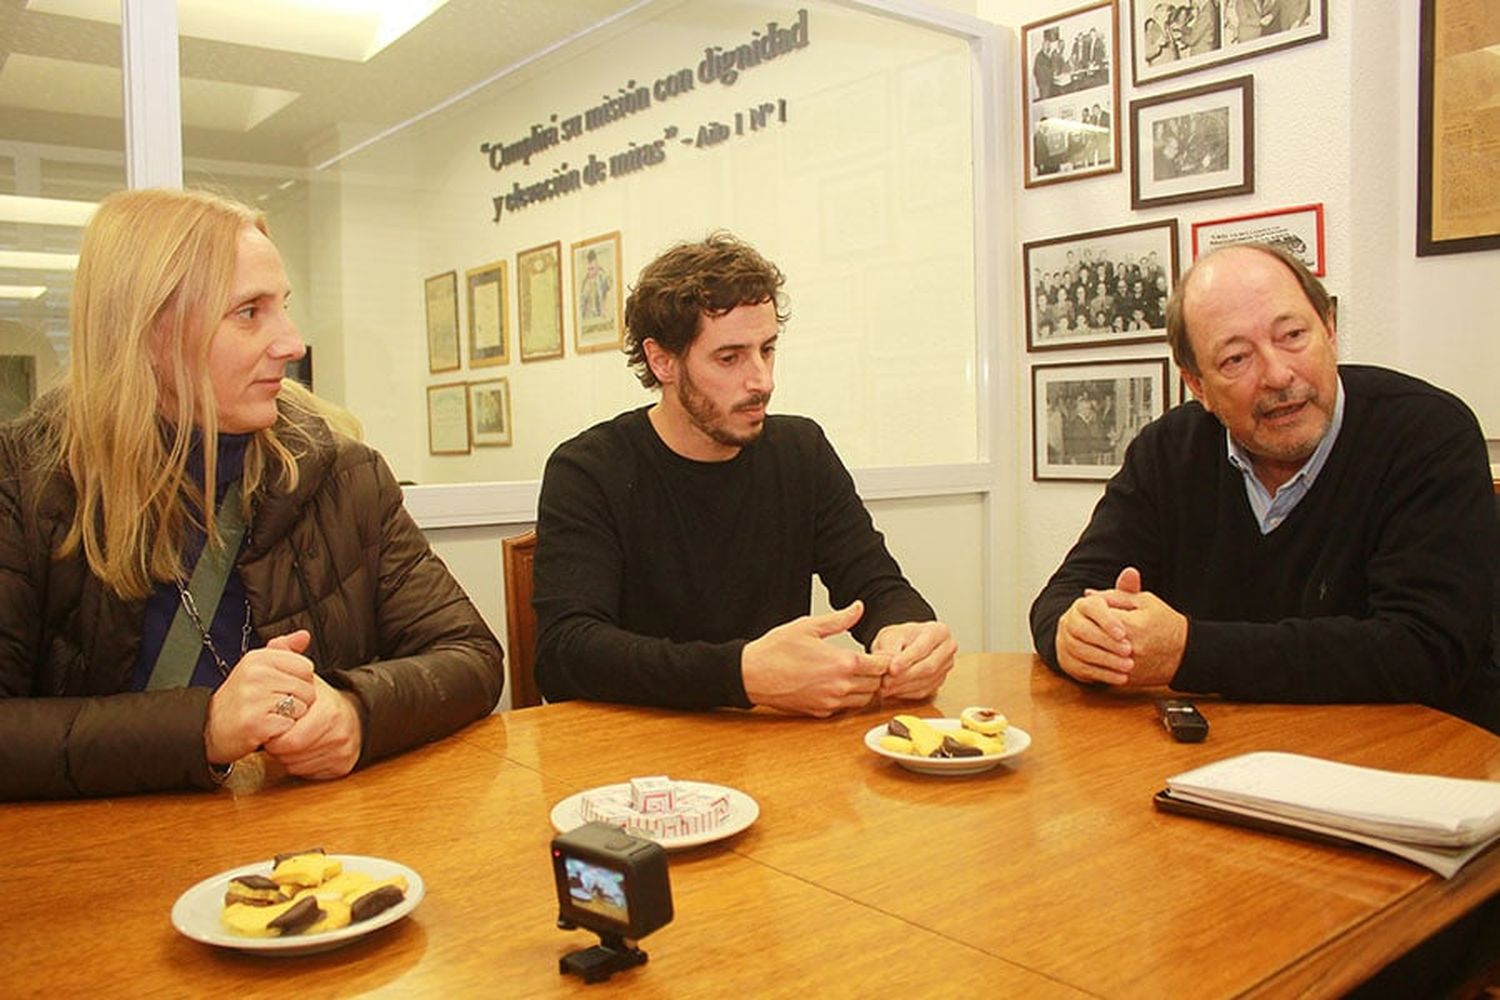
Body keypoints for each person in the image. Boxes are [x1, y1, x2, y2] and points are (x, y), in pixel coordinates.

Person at [0, 189, 504, 800]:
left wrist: (355, 712)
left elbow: (471, 656)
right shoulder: (22, 485)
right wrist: (203, 729)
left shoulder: (343, 474)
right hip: (99, 862)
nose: (291, 343)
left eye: (283, 307)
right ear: (147, 334)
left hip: (307, 848)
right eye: (249, 313)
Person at [1029, 243, 1500, 730]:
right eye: (1236, 359)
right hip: (1227, 757)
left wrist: (1189, 650)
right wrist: (1076, 634)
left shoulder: (1426, 434)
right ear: (1198, 386)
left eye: (1293, 335)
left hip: (1417, 759)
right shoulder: (1168, 451)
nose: (1278, 375)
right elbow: (1064, 596)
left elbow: (1425, 649)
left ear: (1330, 330)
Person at [532, 232, 956, 716]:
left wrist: (904, 633)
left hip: (772, 748)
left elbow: (877, 585)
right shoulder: (590, 469)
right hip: (639, 758)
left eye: (768, 349)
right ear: (662, 360)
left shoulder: (802, 452)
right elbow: (565, 654)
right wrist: (741, 674)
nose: (762, 381)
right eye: (729, 358)